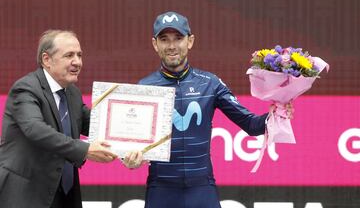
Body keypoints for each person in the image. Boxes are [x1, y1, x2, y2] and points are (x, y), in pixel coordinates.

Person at [122, 11, 294, 208]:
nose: (171, 46)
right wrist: (127, 157)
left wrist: (278, 112)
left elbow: (251, 125)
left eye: (178, 38)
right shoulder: (144, 87)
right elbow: (129, 143)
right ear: (155, 44)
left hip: (202, 190)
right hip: (161, 191)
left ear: (190, 41)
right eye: (164, 39)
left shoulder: (210, 84)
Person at [0, 30, 118, 208]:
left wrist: (136, 141)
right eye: (69, 55)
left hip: (65, 195)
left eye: (79, 55)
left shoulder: (72, 93)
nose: (77, 62)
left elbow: (98, 124)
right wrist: (84, 149)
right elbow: (35, 129)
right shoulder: (25, 89)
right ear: (46, 59)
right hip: (26, 195)